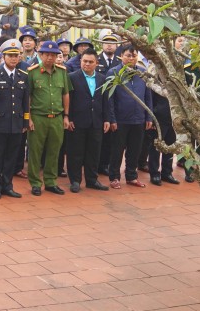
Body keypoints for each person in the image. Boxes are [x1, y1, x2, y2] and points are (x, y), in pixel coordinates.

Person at [0, 39, 30, 200]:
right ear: (3, 57)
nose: (13, 59)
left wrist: (25, 122)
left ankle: (7, 185)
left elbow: (25, 102)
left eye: (16, 55)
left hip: (16, 123)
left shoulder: (24, 76)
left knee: (11, 156)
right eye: (10, 55)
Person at [23, 40, 71, 196]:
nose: (50, 58)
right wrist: (28, 118)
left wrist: (66, 115)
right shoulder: (32, 72)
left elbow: (65, 94)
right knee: (35, 151)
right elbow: (28, 96)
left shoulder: (62, 72)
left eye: (53, 55)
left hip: (57, 117)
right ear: (40, 54)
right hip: (38, 117)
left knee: (54, 150)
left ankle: (51, 181)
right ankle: (35, 182)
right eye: (47, 54)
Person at [104, 45, 155, 189]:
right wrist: (112, 119)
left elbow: (148, 97)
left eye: (134, 56)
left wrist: (149, 117)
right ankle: (114, 177)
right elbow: (109, 99)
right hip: (120, 120)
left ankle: (132, 176)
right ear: (121, 56)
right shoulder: (113, 73)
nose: (131, 58)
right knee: (117, 149)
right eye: (128, 55)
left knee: (135, 149)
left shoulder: (143, 73)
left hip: (138, 119)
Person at [65, 52, 111, 192]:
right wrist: (69, 118)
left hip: (96, 121)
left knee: (94, 152)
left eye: (91, 62)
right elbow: (68, 100)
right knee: (75, 153)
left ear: (96, 63)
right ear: (80, 61)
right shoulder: (72, 77)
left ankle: (92, 180)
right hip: (77, 121)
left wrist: (107, 119)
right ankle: (75, 181)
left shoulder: (103, 79)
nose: (87, 64)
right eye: (85, 61)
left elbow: (105, 101)